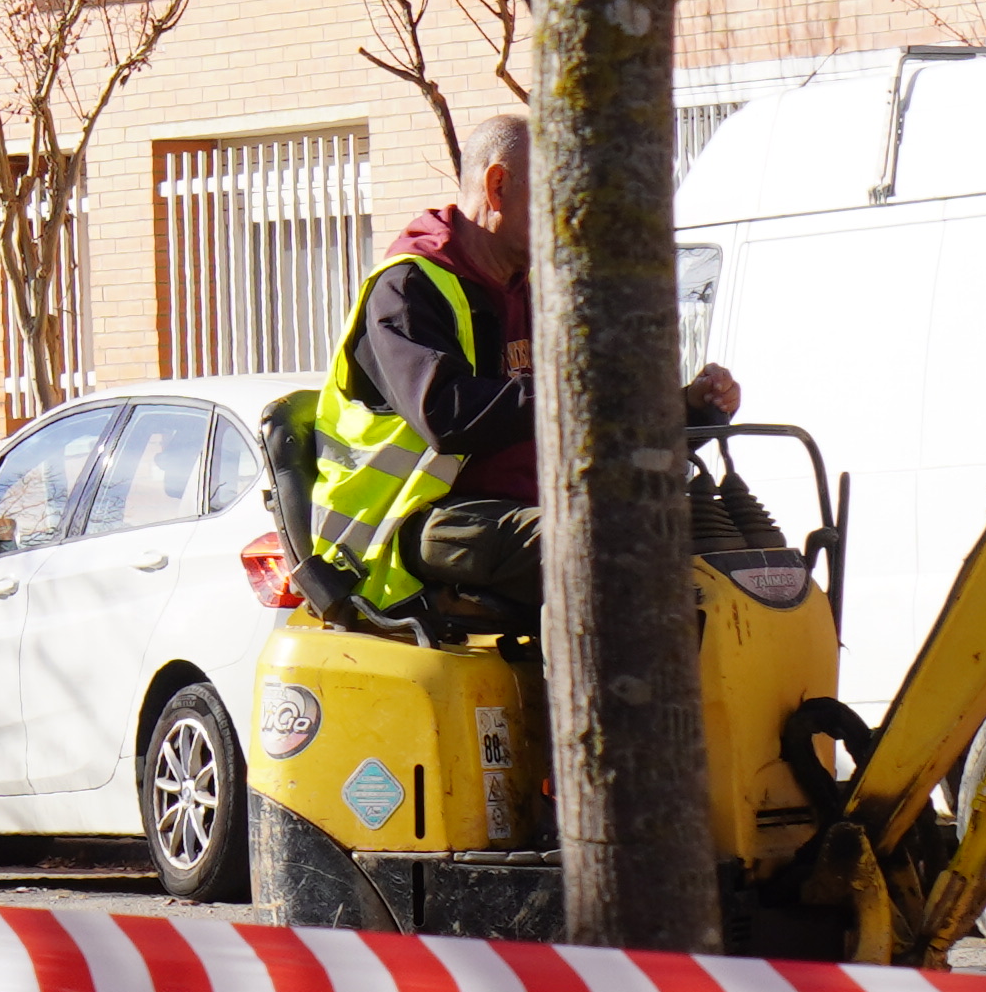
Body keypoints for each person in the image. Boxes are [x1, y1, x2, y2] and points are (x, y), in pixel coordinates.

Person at [291, 113, 743, 632]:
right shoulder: (408, 289)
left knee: (712, 548)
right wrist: (573, 395)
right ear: (498, 185)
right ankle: (588, 712)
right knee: (597, 555)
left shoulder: (535, 291)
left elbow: (594, 413)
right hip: (412, 529)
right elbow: (446, 415)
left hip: (515, 510)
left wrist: (690, 408)